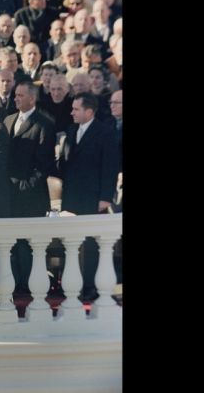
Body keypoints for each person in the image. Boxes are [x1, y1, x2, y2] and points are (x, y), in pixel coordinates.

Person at [56, 92, 119, 301]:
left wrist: (105, 197)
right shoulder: (72, 130)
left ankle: (90, 285)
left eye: (76, 109)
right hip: (72, 196)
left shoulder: (105, 132)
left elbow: (109, 167)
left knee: (90, 243)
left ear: (89, 111)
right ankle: (72, 284)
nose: (72, 112)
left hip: (93, 197)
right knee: (72, 242)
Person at [3, 81, 56, 297]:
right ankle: (13, 283)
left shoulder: (44, 123)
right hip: (9, 194)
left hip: (31, 195)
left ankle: (28, 285)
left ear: (32, 98)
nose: (16, 98)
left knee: (29, 243)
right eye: (15, 95)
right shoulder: (8, 120)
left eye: (20, 95)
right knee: (11, 242)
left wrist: (25, 185)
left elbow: (44, 164)